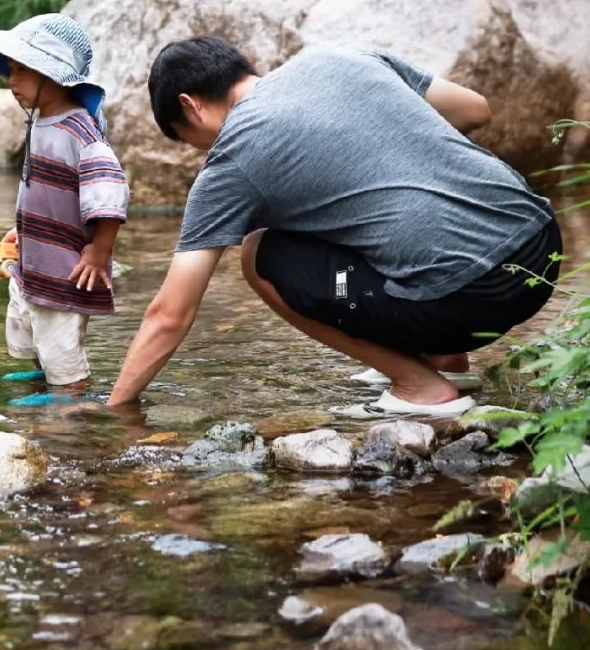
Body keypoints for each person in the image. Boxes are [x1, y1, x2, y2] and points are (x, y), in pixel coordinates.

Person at [107, 37, 562, 417]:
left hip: (466, 299)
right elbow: (475, 110)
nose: (200, 153)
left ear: (190, 107)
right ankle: (445, 360)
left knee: (260, 255)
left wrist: (115, 411)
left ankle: (421, 387)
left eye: (190, 142)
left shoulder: (233, 156)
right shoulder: (343, 55)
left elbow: (170, 315)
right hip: (542, 251)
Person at [0, 13, 129, 398]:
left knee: (58, 333)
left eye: (22, 70)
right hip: (37, 254)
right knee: (28, 318)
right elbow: (40, 189)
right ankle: (44, 375)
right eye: (10, 69)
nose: (11, 81)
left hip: (67, 265)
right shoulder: (41, 122)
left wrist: (98, 251)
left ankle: (71, 393)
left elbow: (110, 191)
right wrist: (22, 231)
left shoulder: (79, 132)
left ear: (53, 75)